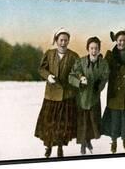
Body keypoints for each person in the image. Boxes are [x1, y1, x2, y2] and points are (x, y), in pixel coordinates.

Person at [34, 28, 79, 158]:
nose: (63, 43)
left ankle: (60, 148)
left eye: (66, 40)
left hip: (67, 96)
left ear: (68, 41)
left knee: (62, 125)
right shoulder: (49, 54)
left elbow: (77, 73)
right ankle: (48, 146)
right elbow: (41, 69)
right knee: (49, 124)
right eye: (61, 40)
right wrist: (48, 76)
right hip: (51, 96)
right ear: (56, 40)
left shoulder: (73, 56)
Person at [69, 37, 109, 155]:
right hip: (82, 98)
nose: (94, 51)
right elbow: (71, 76)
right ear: (87, 49)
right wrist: (80, 80)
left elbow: (106, 76)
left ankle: (88, 140)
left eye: (96, 48)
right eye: (91, 48)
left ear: (99, 49)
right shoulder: (80, 62)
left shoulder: (103, 63)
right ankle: (82, 144)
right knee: (83, 122)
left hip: (94, 98)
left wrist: (100, 84)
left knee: (93, 122)